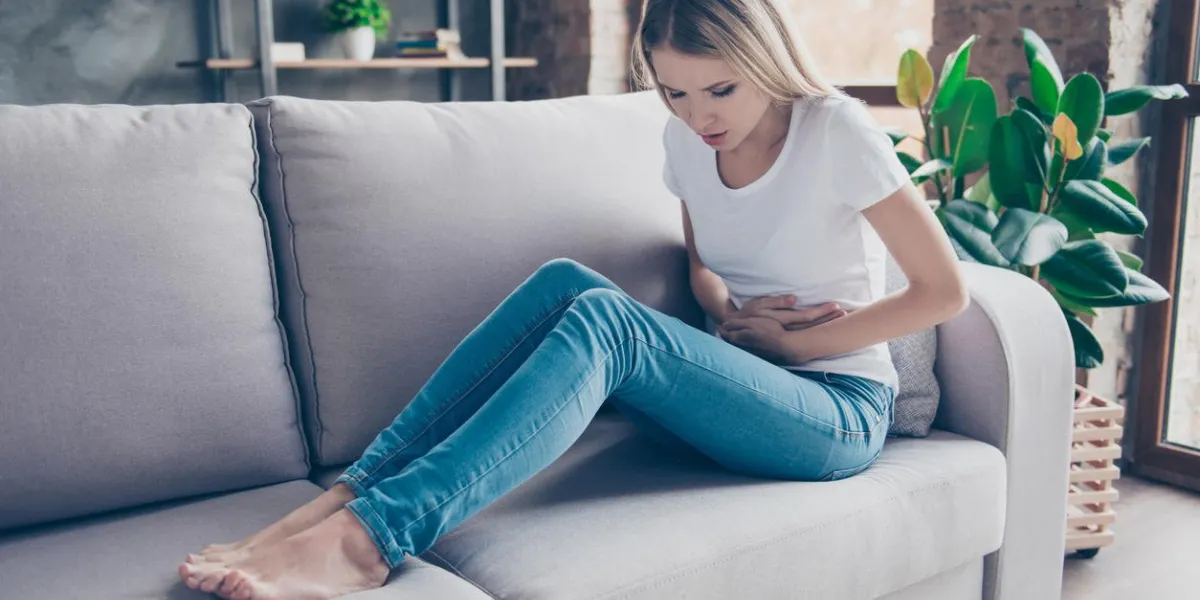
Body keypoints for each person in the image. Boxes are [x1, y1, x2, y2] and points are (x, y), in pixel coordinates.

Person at [179, 0, 967, 598]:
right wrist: (731, 319)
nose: (700, 117)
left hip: (836, 411)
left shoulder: (836, 132)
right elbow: (705, 268)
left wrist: (793, 347)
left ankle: (366, 541)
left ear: (763, 60)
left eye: (720, 89)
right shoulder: (686, 142)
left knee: (607, 325)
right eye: (675, 93)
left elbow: (943, 292)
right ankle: (345, 495)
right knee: (565, 281)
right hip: (743, 381)